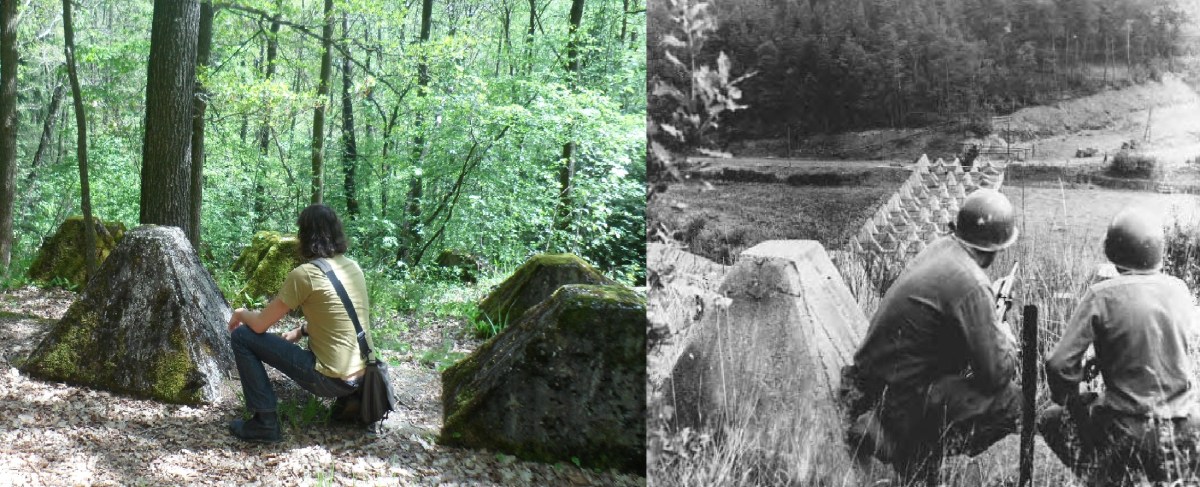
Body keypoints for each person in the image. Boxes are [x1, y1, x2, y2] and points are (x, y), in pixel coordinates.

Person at [839, 188, 1022, 486]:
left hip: (876, 382)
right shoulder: (972, 283)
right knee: (1013, 401)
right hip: (903, 397)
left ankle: (913, 455)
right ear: (995, 247)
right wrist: (1005, 334)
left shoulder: (941, 249)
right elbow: (995, 374)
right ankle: (903, 442)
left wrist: (989, 314)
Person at [1040, 207, 1200, 486]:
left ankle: (1102, 477)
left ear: (1113, 253)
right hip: (1186, 429)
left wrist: (1071, 403)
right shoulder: (1180, 289)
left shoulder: (1101, 295)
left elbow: (1058, 364)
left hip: (1127, 430)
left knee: (1052, 419)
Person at [226, 204, 373, 442]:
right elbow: (339, 318)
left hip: (330, 379)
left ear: (304, 236)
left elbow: (261, 325)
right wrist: (302, 330)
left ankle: (264, 422)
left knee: (242, 336)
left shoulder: (304, 274)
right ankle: (351, 400)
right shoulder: (352, 267)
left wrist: (241, 313)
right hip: (364, 374)